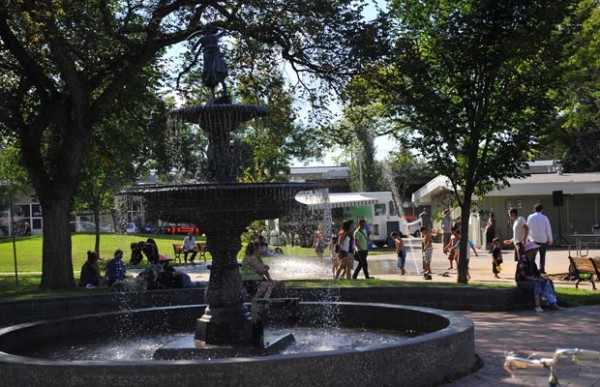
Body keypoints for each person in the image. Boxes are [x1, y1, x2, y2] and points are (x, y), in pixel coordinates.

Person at [515, 241, 563, 312]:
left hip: (530, 280)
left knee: (548, 282)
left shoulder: (531, 260)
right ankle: (537, 305)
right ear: (531, 250)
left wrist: (543, 278)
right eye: (535, 249)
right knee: (536, 284)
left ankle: (552, 302)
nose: (537, 251)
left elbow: (537, 273)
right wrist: (534, 279)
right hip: (522, 281)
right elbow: (523, 275)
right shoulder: (523, 259)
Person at [527, 203, 553, 274]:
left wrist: (527, 238)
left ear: (534, 209)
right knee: (542, 255)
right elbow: (548, 229)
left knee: (532, 256)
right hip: (543, 239)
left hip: (533, 239)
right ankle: (542, 269)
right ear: (541, 210)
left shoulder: (530, 217)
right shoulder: (545, 217)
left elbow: (527, 228)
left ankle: (532, 269)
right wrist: (550, 239)